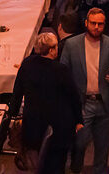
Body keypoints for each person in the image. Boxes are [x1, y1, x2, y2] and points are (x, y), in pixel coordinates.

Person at [60, 7, 109, 174]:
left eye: (100, 24)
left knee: (103, 148)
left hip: (105, 103)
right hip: (82, 104)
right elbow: (63, 72)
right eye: (93, 23)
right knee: (79, 143)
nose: (96, 27)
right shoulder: (72, 45)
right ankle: (76, 169)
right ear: (86, 23)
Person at [13, 32, 81, 174]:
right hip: (58, 126)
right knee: (56, 165)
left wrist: (13, 114)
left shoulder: (27, 64)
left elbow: (17, 92)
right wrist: (78, 120)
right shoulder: (61, 70)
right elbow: (74, 96)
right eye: (56, 47)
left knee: (38, 164)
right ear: (51, 50)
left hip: (34, 125)